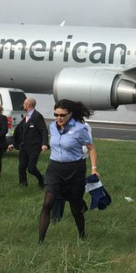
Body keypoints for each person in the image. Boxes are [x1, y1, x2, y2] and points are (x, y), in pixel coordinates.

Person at [37, 99, 96, 243]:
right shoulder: (52, 127)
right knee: (48, 202)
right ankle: (40, 241)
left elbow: (91, 148)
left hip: (75, 170)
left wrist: (94, 168)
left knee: (75, 209)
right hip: (55, 168)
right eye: (56, 115)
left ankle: (82, 236)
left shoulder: (79, 129)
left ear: (70, 114)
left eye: (62, 115)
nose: (59, 118)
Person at [10, 97, 49, 187]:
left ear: (28, 105)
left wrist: (44, 143)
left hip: (34, 147)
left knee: (31, 168)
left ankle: (41, 179)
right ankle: (23, 185)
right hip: (24, 146)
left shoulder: (37, 116)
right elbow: (20, 131)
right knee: (22, 166)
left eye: (24, 104)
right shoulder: (26, 116)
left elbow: (43, 130)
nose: (22, 105)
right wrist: (13, 144)